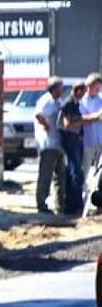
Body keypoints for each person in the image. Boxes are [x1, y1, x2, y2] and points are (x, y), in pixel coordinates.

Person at [33, 76, 65, 215]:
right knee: (45, 175)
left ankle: (60, 205)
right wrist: (47, 124)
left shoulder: (59, 101)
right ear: (54, 88)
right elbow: (39, 114)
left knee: (61, 176)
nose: (62, 90)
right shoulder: (45, 100)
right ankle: (42, 204)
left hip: (59, 144)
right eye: (60, 87)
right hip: (48, 144)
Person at [60, 81, 87, 215]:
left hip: (76, 140)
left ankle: (73, 204)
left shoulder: (76, 104)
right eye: (82, 92)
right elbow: (67, 124)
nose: (84, 95)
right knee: (75, 173)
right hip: (70, 142)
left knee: (75, 173)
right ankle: (74, 204)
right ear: (77, 91)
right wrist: (86, 120)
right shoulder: (68, 103)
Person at [79, 74, 102, 215]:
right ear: (89, 86)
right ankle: (82, 200)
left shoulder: (100, 100)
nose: (98, 89)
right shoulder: (82, 101)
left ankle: (99, 203)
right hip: (87, 141)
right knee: (85, 171)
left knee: (100, 174)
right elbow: (79, 119)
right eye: (96, 86)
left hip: (100, 140)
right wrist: (94, 117)